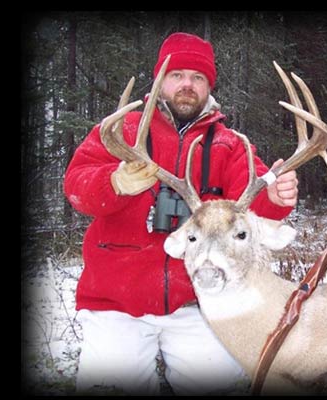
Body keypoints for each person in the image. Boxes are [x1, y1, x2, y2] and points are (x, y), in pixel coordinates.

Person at [63, 32, 299, 395]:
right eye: (176, 75)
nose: (186, 85)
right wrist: (114, 183)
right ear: (160, 80)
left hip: (200, 301)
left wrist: (276, 196)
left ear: (209, 86)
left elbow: (256, 207)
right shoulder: (119, 132)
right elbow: (76, 187)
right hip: (116, 301)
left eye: (198, 77)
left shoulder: (230, 145)